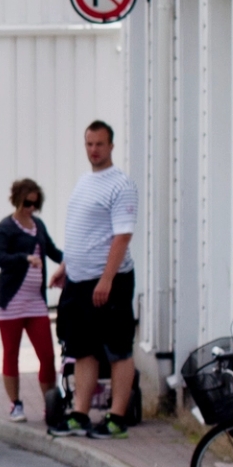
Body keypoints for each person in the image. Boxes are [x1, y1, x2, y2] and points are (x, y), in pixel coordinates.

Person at [57, 120, 142, 436]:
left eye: (100, 145)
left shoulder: (120, 185)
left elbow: (121, 236)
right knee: (83, 349)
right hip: (79, 280)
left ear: (111, 146)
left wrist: (106, 280)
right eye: (89, 144)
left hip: (110, 281)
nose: (94, 151)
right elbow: (83, 231)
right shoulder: (84, 182)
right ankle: (80, 412)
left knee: (117, 348)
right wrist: (66, 266)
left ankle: (116, 417)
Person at [0, 179, 63, 425]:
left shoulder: (38, 225)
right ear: (17, 200)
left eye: (35, 203)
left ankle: (50, 405)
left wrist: (72, 261)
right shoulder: (5, 228)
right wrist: (25, 258)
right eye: (27, 203)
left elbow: (52, 251)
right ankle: (15, 403)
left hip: (35, 301)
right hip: (10, 301)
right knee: (11, 353)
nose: (31, 208)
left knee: (47, 354)